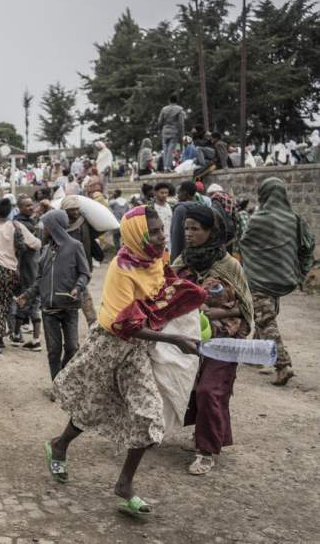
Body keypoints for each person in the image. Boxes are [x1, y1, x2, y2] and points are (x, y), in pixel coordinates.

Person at [45, 206, 206, 517]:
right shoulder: (122, 267)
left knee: (148, 416)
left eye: (162, 229)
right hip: (109, 344)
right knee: (92, 405)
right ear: (137, 234)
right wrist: (175, 340)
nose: (161, 236)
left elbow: (161, 290)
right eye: (154, 232)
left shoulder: (156, 257)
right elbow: (124, 324)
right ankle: (60, 445)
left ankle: (124, 485)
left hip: (136, 351)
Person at [171, 204, 254, 475]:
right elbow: (167, 295)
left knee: (210, 390)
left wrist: (211, 311)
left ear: (211, 230)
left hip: (225, 338)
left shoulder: (230, 266)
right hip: (190, 339)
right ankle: (204, 434)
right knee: (188, 388)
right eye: (186, 229)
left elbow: (244, 306)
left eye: (196, 229)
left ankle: (205, 452)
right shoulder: (183, 261)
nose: (190, 234)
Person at [238, 177, 315, 386]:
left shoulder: (257, 219)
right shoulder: (295, 219)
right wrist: (300, 272)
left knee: (265, 318)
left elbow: (245, 244)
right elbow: (308, 246)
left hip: (259, 277)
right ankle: (254, 354)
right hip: (284, 277)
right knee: (267, 313)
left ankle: (282, 364)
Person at [17, 210, 89, 386]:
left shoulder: (75, 246)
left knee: (72, 346)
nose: (44, 229)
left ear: (54, 227)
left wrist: (77, 288)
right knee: (53, 350)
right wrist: (26, 295)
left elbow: (84, 273)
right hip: (49, 309)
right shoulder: (46, 250)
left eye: (46, 226)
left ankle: (63, 375)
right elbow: (40, 279)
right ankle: (57, 384)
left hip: (69, 307)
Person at [0, 198, 41, 351]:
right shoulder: (16, 226)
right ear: (10, 212)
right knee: (6, 304)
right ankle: (5, 334)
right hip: (11, 271)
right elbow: (36, 243)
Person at [62, 196, 102, 326]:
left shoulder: (84, 223)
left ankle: (92, 321)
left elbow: (92, 239)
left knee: (82, 290)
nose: (75, 213)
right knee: (80, 293)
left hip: (82, 264)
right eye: (71, 210)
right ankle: (91, 321)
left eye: (77, 210)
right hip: (66, 266)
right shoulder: (60, 225)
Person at [11, 195, 44, 350]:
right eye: (27, 206)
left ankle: (19, 335)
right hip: (26, 268)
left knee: (27, 300)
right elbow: (21, 249)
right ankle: (31, 338)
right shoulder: (20, 225)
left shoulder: (32, 222)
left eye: (32, 205)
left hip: (34, 266)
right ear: (19, 208)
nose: (31, 208)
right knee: (30, 300)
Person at [170, 181, 201, 260]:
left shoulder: (180, 210)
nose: (177, 196)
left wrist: (174, 261)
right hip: (198, 254)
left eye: (179, 193)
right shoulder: (200, 207)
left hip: (182, 257)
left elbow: (176, 237)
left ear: (185, 193)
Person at [157, 94, 186, 171]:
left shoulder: (164, 109)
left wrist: (160, 129)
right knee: (170, 150)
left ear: (169, 100)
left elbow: (159, 121)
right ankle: (167, 167)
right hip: (174, 131)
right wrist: (182, 134)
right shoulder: (179, 109)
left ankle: (165, 167)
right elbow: (181, 123)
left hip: (165, 131)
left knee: (165, 149)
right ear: (176, 101)